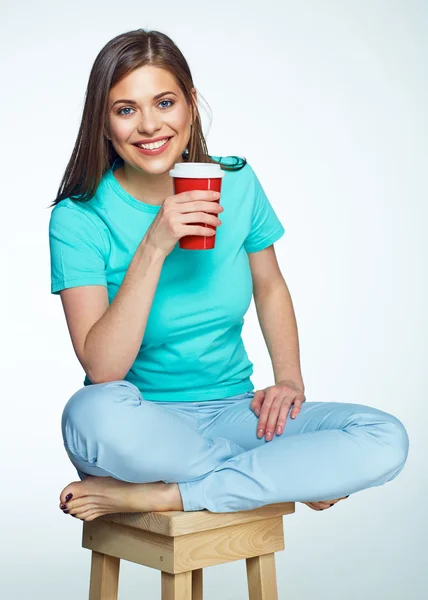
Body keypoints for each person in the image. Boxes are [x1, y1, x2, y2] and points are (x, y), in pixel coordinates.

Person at [49, 29, 409, 523]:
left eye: (165, 102)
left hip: (236, 413)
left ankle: (169, 494)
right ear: (104, 123)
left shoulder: (236, 183)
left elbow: (270, 285)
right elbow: (104, 368)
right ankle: (273, 476)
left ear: (190, 105)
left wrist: (289, 380)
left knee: (384, 436)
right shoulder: (79, 217)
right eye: (126, 109)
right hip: (142, 424)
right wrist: (155, 244)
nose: (150, 125)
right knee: (87, 414)